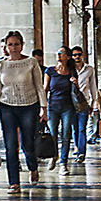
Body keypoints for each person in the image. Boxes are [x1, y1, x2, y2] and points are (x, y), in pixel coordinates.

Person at [0, 30, 47, 193]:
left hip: (29, 106)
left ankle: (33, 168)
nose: (13, 48)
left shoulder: (31, 62)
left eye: (16, 44)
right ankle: (14, 182)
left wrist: (44, 108)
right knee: (10, 145)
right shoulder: (0, 64)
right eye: (10, 44)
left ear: (22, 45)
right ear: (6, 46)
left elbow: (39, 86)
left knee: (28, 143)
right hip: (7, 107)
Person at [44, 46, 77, 175]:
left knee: (65, 135)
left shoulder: (72, 71)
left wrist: (75, 83)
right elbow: (45, 89)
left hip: (68, 107)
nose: (58, 55)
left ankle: (63, 163)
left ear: (68, 56)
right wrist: (43, 107)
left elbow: (76, 91)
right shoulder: (50, 71)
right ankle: (54, 155)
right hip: (53, 107)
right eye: (57, 52)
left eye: (61, 53)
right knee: (52, 134)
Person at [71, 45, 98, 164]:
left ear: (82, 55)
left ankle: (81, 153)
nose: (77, 57)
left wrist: (93, 104)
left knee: (82, 129)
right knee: (74, 129)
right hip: (70, 103)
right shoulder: (69, 69)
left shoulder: (89, 69)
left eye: (79, 54)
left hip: (84, 103)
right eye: (74, 55)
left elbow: (93, 87)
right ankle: (77, 148)